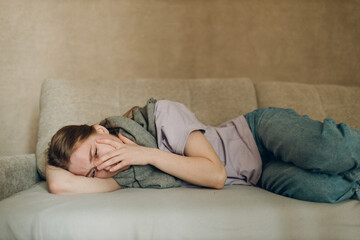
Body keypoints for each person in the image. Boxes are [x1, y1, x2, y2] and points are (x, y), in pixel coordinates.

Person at [46, 99, 360, 203]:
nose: (102, 166)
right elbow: (60, 183)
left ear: (100, 129)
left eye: (95, 153)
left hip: (255, 134)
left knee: (329, 152)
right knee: (327, 188)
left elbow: (215, 174)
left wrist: (148, 153)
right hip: (260, 175)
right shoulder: (130, 176)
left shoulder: (160, 114)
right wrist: (55, 160)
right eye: (91, 172)